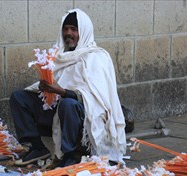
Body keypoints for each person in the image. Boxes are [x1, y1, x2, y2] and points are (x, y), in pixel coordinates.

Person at [10, 8, 126, 167]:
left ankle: (69, 154)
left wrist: (60, 91)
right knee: (19, 97)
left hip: (84, 117)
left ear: (83, 31)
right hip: (58, 111)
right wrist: (45, 87)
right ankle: (37, 147)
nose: (68, 33)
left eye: (73, 29)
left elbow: (95, 100)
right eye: (65, 29)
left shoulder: (97, 57)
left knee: (68, 104)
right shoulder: (59, 56)